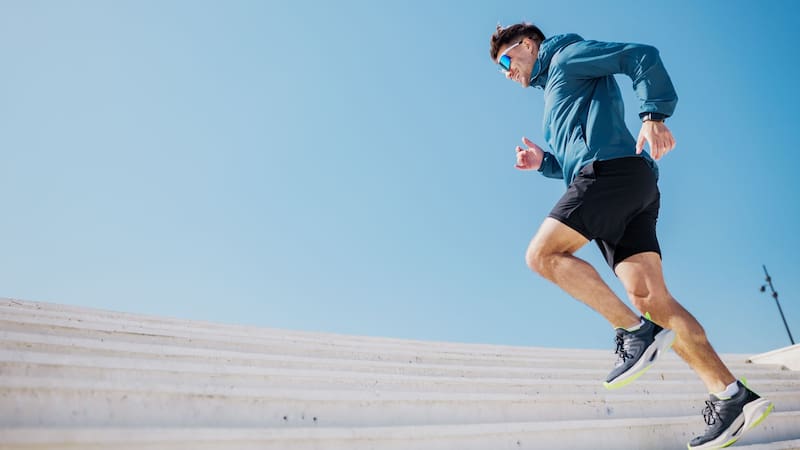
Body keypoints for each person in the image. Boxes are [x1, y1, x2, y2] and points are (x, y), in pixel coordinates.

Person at [489, 23, 773, 449]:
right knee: (652, 301)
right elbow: (576, 151)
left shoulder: (565, 57)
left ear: (528, 45)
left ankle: (633, 331)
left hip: (610, 175)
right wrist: (544, 162)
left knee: (542, 256)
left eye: (507, 61)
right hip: (626, 185)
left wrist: (653, 115)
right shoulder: (556, 90)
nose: (507, 72)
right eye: (501, 69)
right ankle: (730, 395)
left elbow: (640, 55)